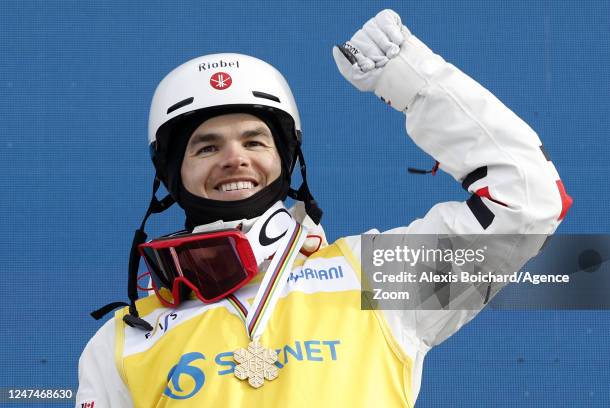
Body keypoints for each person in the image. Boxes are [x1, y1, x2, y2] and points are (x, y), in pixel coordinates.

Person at [76, 9, 571, 408]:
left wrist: (415, 83)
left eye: (255, 140)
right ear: (170, 175)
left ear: (287, 162)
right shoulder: (123, 341)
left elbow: (526, 202)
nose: (235, 159)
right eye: (206, 147)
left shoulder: (372, 279)